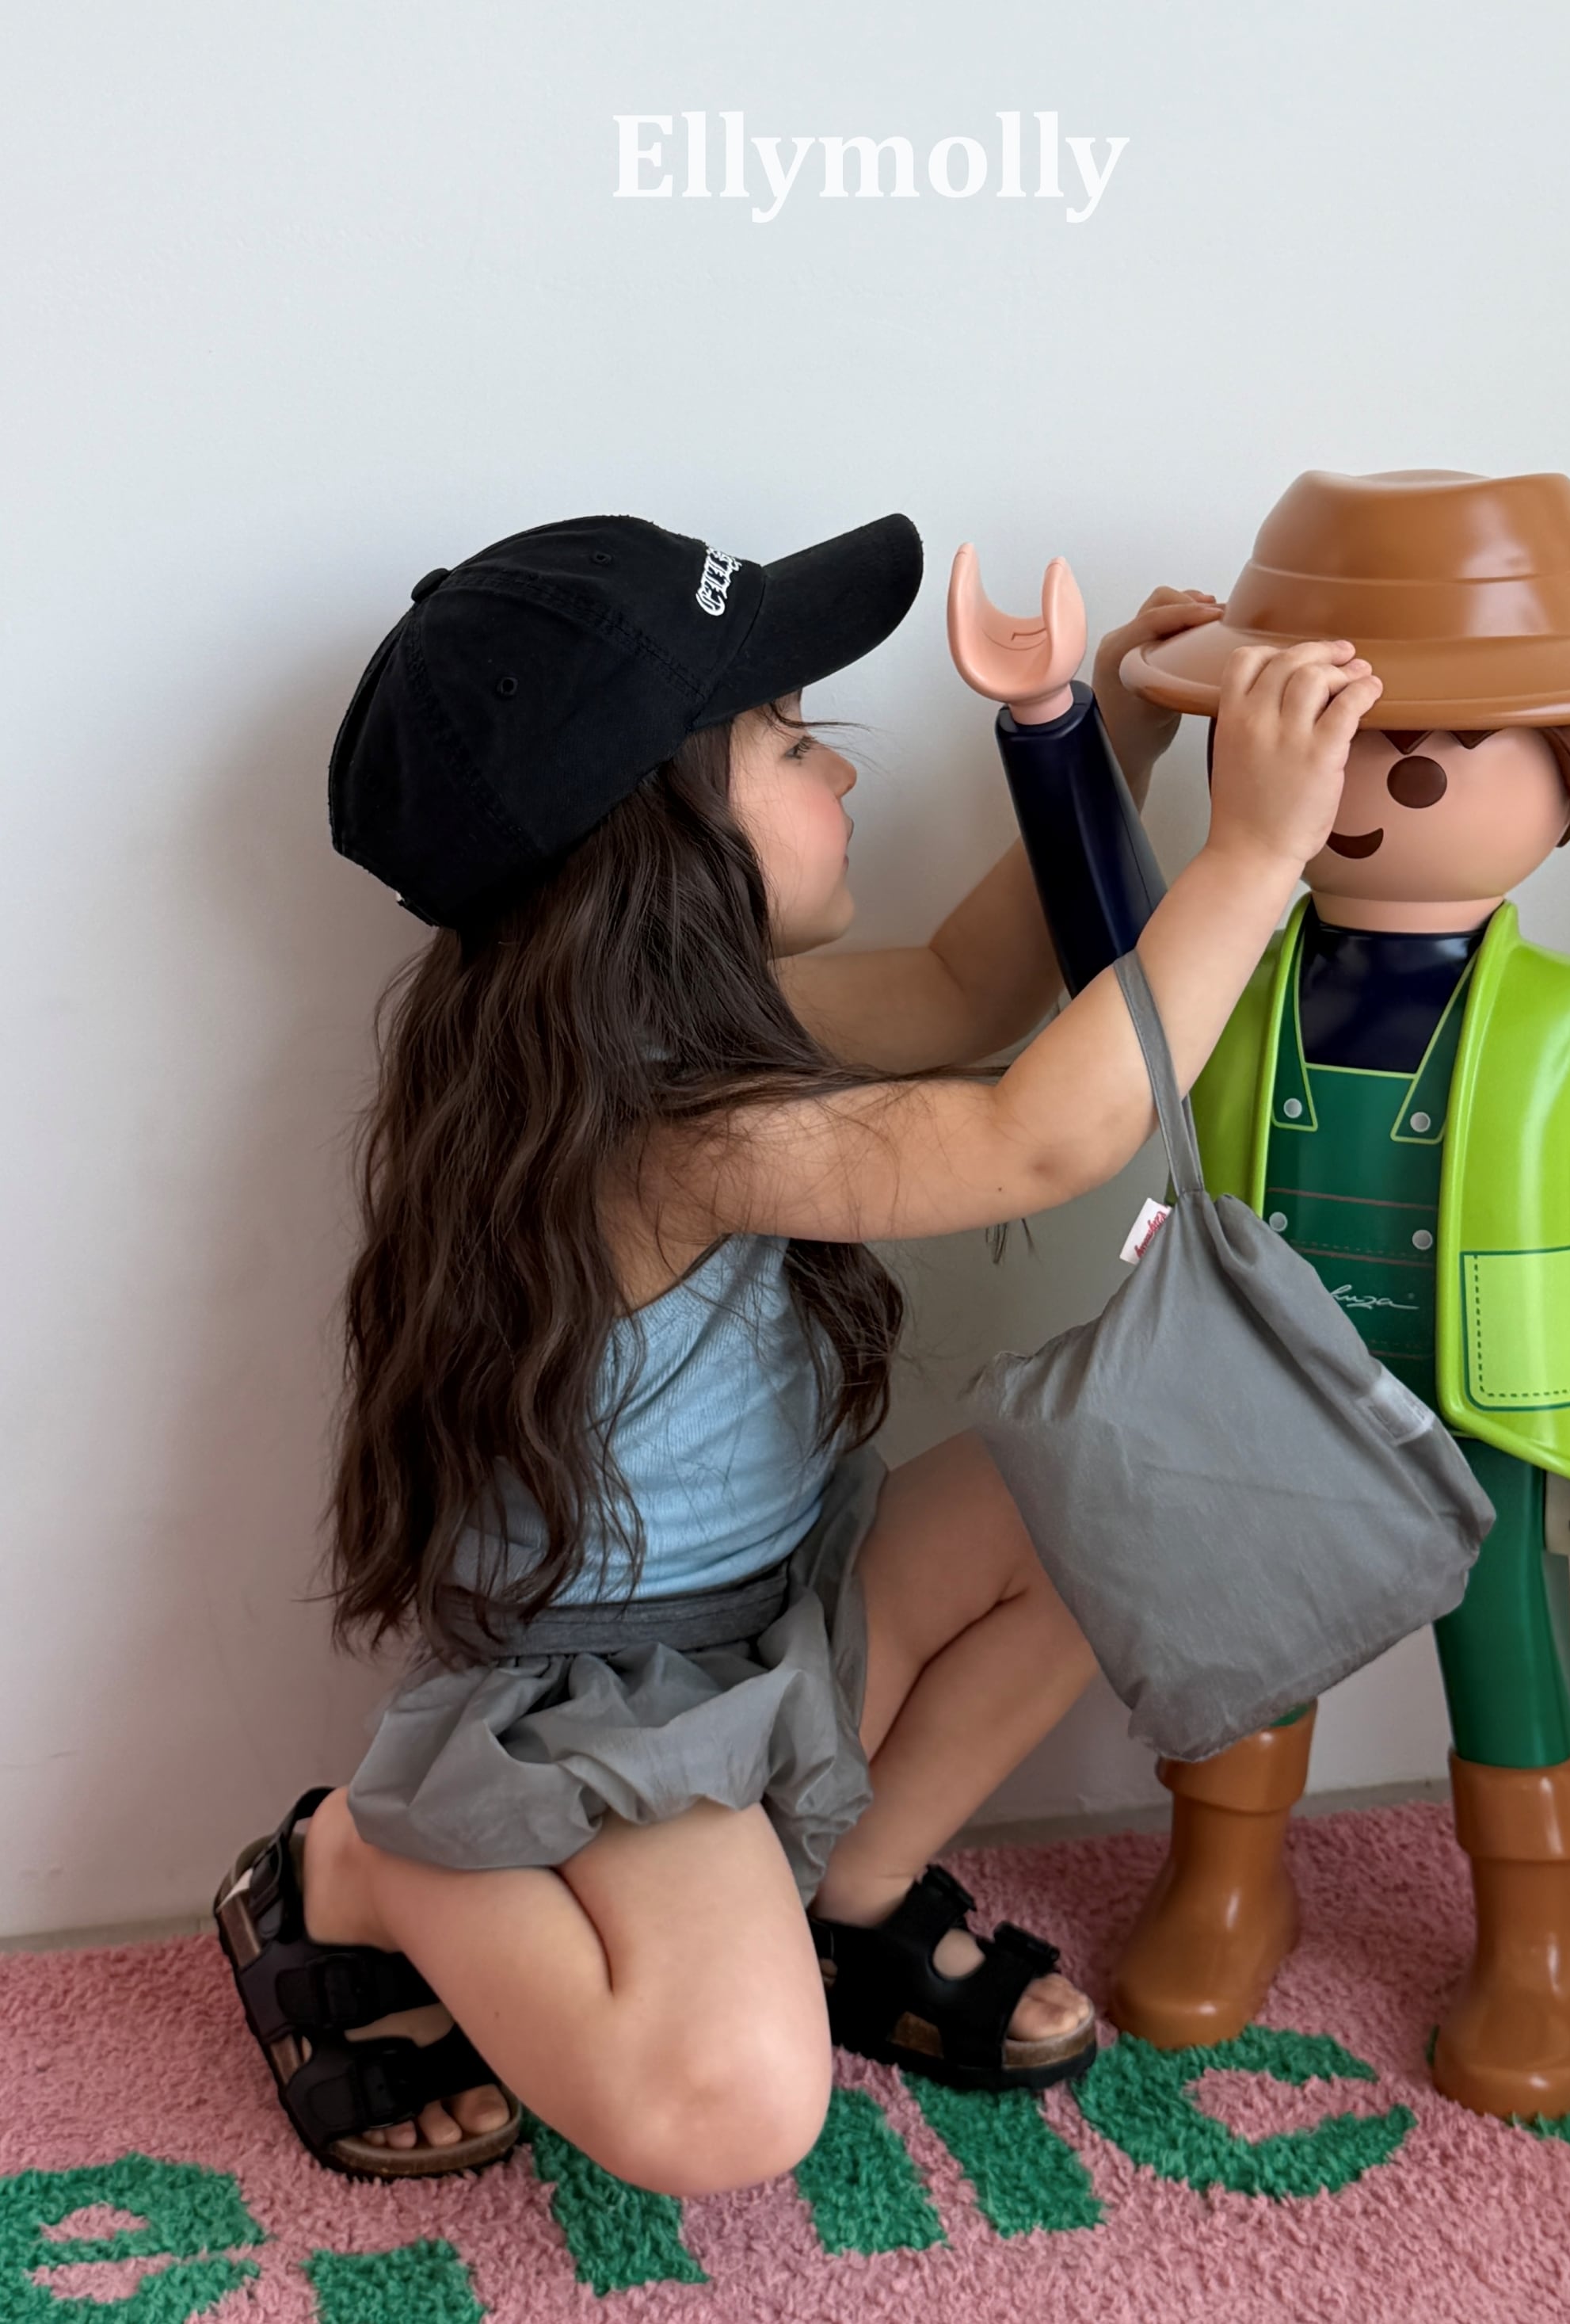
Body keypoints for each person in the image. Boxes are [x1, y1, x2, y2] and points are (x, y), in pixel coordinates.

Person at [213, 509, 1379, 2193]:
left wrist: (1106, 730)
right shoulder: (653, 1119)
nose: (838, 771)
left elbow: (976, 987)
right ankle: (366, 1860)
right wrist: (1256, 856)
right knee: (734, 2112)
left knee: (1119, 1500)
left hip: (778, 1608)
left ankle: (845, 1898)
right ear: (652, 835)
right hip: (616, 1701)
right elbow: (1036, 1136)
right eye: (786, 742)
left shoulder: (685, 1016)